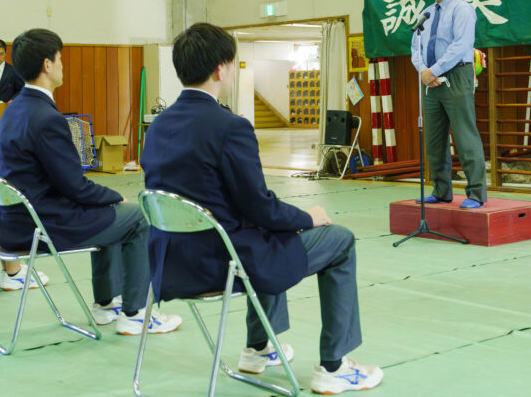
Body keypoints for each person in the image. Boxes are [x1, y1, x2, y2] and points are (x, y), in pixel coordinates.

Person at [140, 23, 383, 395]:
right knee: (338, 240)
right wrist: (309, 218)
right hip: (221, 264)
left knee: (268, 235)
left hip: (170, 264)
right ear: (221, 69)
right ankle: (334, 366)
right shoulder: (230, 127)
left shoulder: (157, 127)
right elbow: (261, 209)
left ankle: (259, 349)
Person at [0, 27, 181, 336]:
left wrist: (105, 198)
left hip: (14, 222)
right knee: (137, 216)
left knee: (109, 212)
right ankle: (135, 313)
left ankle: (106, 305)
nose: (62, 65)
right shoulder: (47, 117)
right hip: (42, 223)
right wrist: (113, 195)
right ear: (47, 65)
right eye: (60, 58)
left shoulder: (14, 110)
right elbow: (75, 187)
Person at [410, 0, 487, 209]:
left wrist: (434, 70)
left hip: (455, 75)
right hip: (430, 81)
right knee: (434, 139)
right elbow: (416, 46)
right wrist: (424, 70)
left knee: (465, 136)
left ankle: (475, 193)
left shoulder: (462, 9)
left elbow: (460, 46)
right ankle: (441, 191)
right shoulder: (427, 13)